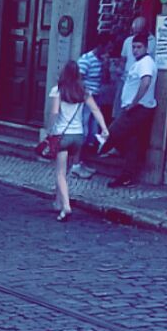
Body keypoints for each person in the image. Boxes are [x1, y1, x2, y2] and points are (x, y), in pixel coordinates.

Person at [42, 60, 109, 221]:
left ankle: (66, 206)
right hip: (78, 137)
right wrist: (104, 128)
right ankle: (58, 202)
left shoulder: (58, 91)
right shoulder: (83, 92)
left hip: (62, 136)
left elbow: (54, 113)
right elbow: (95, 110)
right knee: (65, 171)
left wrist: (49, 131)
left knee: (60, 173)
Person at [98, 34, 158, 187]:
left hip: (138, 109)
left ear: (146, 47)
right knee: (132, 143)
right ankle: (127, 175)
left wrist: (134, 103)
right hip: (134, 107)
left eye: (139, 47)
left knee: (114, 131)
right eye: (133, 47)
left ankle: (103, 147)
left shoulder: (145, 63)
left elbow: (145, 82)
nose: (135, 50)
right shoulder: (138, 63)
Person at [71, 32, 112, 178]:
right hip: (86, 100)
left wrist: (106, 66)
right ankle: (75, 165)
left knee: (90, 133)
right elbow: (77, 80)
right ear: (100, 46)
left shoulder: (100, 60)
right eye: (107, 47)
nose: (109, 51)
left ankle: (80, 162)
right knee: (83, 130)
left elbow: (105, 80)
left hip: (96, 99)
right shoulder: (86, 60)